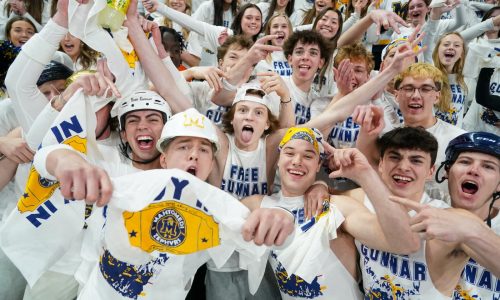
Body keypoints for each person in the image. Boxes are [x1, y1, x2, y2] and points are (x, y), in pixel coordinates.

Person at [391, 131, 500, 299]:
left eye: (488, 166)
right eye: (465, 162)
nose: (474, 170)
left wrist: (470, 229)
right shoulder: (429, 211)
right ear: (447, 172)